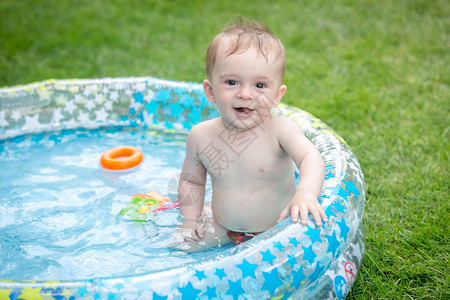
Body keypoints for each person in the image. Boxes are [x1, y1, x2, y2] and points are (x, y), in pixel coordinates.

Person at [171, 19, 327, 252]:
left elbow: (310, 157)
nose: (245, 94)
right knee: (178, 248)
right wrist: (190, 222)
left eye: (260, 85)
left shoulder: (280, 130)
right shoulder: (200, 136)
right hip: (222, 227)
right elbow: (191, 181)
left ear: (277, 95)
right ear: (210, 91)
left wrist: (305, 193)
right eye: (232, 82)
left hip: (276, 230)